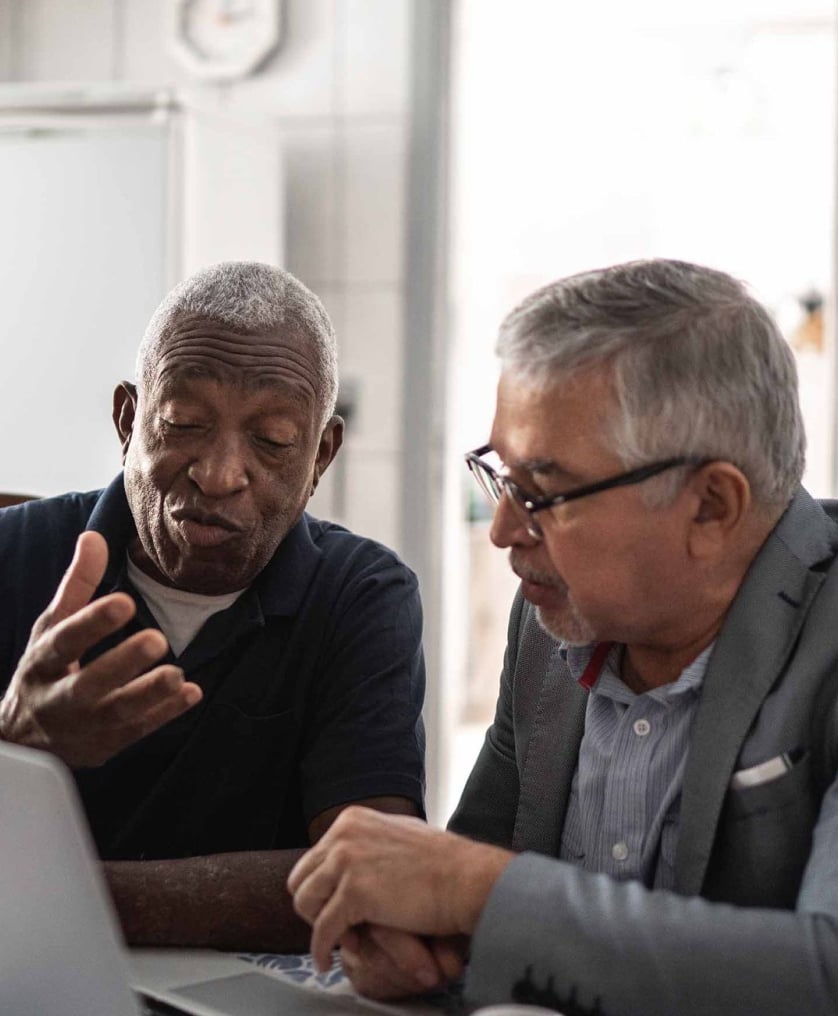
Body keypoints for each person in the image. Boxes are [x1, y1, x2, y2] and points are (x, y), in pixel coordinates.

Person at [288, 259, 838, 1015]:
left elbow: (822, 976)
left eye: (542, 493)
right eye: (501, 479)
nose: (505, 532)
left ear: (711, 505)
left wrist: (475, 890)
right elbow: (475, 903)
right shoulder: (555, 620)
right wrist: (420, 949)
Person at [0, 261, 425, 952]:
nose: (220, 474)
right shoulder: (13, 557)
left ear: (321, 456)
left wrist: (63, 894)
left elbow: (373, 881)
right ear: (127, 419)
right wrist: (13, 742)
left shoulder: (360, 595)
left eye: (274, 441)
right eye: (184, 423)